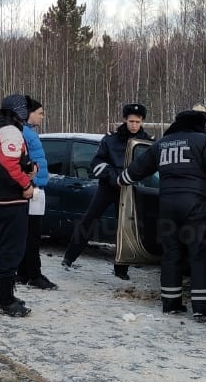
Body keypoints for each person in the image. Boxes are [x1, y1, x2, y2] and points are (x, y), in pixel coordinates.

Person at [119, 103, 206, 322]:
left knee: (171, 254)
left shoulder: (163, 143)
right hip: (196, 205)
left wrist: (122, 179)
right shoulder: (203, 141)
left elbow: (137, 169)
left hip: (167, 205)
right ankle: (203, 310)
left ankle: (170, 304)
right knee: (199, 254)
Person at [62, 102, 153, 279]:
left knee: (126, 228)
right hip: (108, 187)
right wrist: (114, 178)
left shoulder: (147, 142)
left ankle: (121, 269)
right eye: (131, 121)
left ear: (142, 122)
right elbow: (96, 163)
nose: (134, 125)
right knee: (89, 220)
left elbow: (150, 167)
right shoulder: (111, 139)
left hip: (131, 190)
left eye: (138, 122)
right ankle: (69, 257)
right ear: (125, 120)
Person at [0, 94, 36, 317]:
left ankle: (3, 296)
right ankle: (4, 300)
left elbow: (10, 161)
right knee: (11, 251)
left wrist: (30, 166)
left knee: (1, 250)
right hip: (10, 201)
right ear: (19, 111)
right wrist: (26, 184)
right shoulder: (10, 131)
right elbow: (8, 164)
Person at [18, 95, 57, 290]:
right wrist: (30, 183)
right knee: (32, 235)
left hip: (35, 188)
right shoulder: (24, 133)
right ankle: (33, 274)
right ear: (29, 114)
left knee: (29, 234)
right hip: (31, 188)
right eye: (40, 113)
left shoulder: (28, 132)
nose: (42, 117)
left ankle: (24, 272)